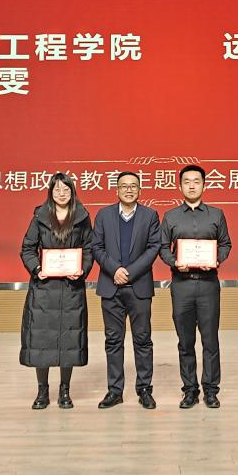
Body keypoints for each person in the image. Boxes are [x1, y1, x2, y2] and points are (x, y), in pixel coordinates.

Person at [19, 172, 94, 410]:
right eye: (57, 190)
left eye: (66, 189)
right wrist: (37, 269)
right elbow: (27, 248)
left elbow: (89, 249)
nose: (62, 194)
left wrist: (82, 270)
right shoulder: (40, 216)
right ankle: (42, 391)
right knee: (41, 340)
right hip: (44, 289)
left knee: (69, 340)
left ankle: (65, 390)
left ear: (73, 192)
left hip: (71, 288)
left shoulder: (82, 217)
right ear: (50, 192)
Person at [159, 164, 232, 409]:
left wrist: (216, 259)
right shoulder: (170, 216)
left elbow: (225, 244)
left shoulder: (216, 215)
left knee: (210, 340)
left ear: (204, 185)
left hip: (208, 284)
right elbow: (162, 247)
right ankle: (190, 390)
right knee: (185, 341)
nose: (192, 185)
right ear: (180, 186)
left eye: (196, 181)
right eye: (187, 182)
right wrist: (174, 262)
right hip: (181, 285)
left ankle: (211, 390)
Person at [90, 171, 161, 410]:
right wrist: (115, 269)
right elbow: (96, 247)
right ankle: (115, 391)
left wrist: (129, 272)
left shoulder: (150, 215)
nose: (129, 190)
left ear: (140, 190)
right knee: (113, 341)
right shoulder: (103, 215)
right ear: (116, 190)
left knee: (143, 340)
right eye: (124, 186)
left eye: (133, 186)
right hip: (111, 287)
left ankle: (144, 390)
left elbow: (153, 248)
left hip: (139, 288)